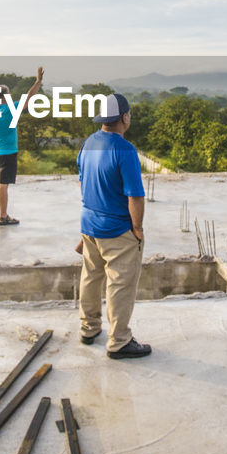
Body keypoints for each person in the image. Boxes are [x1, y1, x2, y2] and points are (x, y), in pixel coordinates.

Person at [76, 92, 151, 359]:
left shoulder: (88, 143)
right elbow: (135, 196)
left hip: (90, 225)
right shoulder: (125, 149)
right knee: (119, 284)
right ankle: (119, 341)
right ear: (124, 117)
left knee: (91, 277)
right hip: (116, 230)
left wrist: (85, 229)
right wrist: (138, 230)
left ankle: (89, 328)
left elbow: (84, 184)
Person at [0, 66, 43, 225]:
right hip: (8, 153)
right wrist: (38, 82)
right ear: (7, 95)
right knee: (3, 185)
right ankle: (3, 216)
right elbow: (29, 96)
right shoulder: (12, 109)